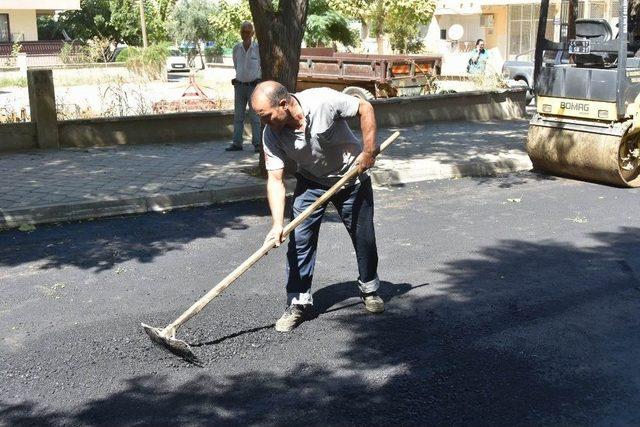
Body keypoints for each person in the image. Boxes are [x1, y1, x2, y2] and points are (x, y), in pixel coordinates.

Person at [250, 81, 384, 332]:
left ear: (283, 105)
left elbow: (365, 108)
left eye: (266, 116)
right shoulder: (271, 135)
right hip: (311, 182)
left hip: (351, 177)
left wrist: (368, 151)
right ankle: (297, 302)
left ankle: (370, 289)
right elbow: (275, 180)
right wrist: (278, 225)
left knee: (363, 237)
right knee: (299, 239)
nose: (264, 123)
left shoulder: (323, 100)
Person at [226, 21, 262, 153]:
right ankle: (237, 143)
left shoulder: (258, 49)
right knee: (238, 117)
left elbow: (261, 67)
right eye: (242, 31)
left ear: (252, 33)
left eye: (247, 31)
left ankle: (257, 144)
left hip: (254, 87)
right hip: (239, 86)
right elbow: (237, 66)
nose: (245, 34)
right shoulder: (236, 48)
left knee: (255, 117)